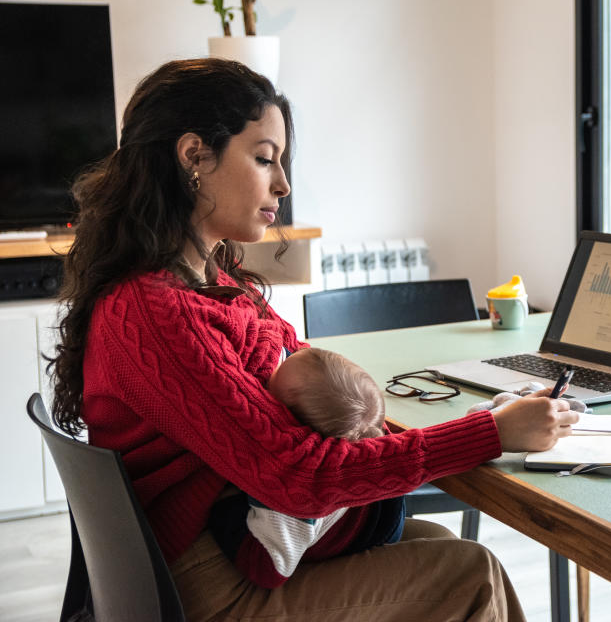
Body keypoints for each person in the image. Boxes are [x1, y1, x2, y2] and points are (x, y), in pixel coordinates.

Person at [50, 57, 579, 621]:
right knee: (468, 575)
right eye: (263, 159)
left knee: (453, 553)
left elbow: (290, 376)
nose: (283, 184)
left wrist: (481, 426)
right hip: (203, 586)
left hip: (226, 542)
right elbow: (300, 475)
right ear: (193, 157)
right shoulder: (156, 311)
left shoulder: (211, 282)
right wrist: (489, 434)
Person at [209, 347, 405, 589]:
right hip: (374, 498)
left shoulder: (297, 491)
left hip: (370, 530)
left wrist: (222, 513)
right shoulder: (347, 426)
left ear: (297, 431)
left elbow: (268, 568)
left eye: (267, 391)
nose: (259, 388)